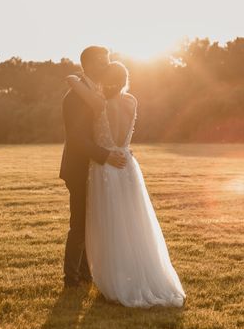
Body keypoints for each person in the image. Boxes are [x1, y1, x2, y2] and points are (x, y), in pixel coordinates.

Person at [66, 61, 185, 307]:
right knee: (133, 222)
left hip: (106, 167)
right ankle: (142, 274)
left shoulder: (98, 103)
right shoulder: (132, 101)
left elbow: (72, 82)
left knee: (110, 224)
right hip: (128, 164)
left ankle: (113, 279)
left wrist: (76, 77)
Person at [59, 46, 127, 288]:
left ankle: (87, 273)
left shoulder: (96, 90)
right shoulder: (75, 96)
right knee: (79, 223)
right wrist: (105, 155)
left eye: (108, 61)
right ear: (88, 64)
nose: (106, 66)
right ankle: (71, 278)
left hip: (97, 168)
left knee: (93, 221)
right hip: (78, 167)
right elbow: (77, 138)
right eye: (102, 62)